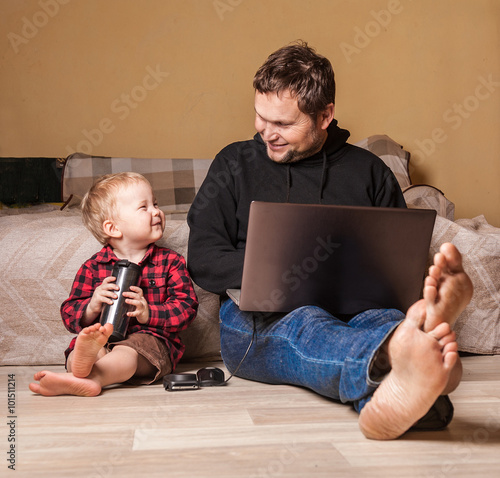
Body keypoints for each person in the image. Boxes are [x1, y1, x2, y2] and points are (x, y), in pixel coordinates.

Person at [186, 41, 473, 439]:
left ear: (325, 115)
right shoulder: (233, 164)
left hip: (362, 309)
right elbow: (203, 258)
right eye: (260, 116)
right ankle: (411, 355)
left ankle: (408, 391)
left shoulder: (370, 172)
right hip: (259, 319)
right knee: (307, 322)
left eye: (283, 124)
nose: (266, 132)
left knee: (388, 320)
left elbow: (397, 263)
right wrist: (281, 272)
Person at [29, 172, 198, 397]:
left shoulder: (170, 262)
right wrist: (92, 306)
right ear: (113, 228)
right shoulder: (93, 267)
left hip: (149, 341)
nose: (156, 211)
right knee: (85, 347)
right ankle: (80, 369)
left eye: (155, 204)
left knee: (127, 353)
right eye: (144, 207)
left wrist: (150, 313)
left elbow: (187, 308)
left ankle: (90, 378)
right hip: (102, 335)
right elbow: (69, 313)